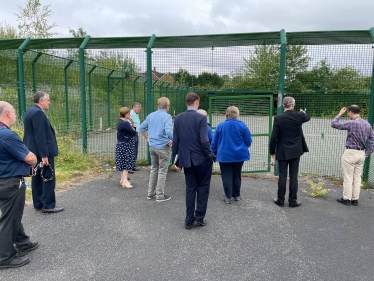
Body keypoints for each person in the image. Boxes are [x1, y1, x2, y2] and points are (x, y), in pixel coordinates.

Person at [0, 101, 39, 269]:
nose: (16, 115)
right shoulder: (6, 134)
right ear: (8, 114)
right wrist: (34, 159)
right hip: (10, 182)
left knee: (12, 213)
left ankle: (23, 242)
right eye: (14, 112)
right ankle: (5, 257)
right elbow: (29, 158)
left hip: (3, 181)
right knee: (10, 218)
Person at [172, 92, 215, 230]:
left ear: (187, 102)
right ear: (196, 102)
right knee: (203, 187)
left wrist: (174, 159)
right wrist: (210, 154)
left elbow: (176, 140)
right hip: (201, 159)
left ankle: (188, 220)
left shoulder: (178, 118)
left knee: (190, 189)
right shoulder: (201, 118)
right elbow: (204, 140)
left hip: (186, 160)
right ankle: (199, 218)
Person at [23, 92, 63, 214]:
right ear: (41, 101)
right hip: (41, 152)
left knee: (37, 177)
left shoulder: (30, 111)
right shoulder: (38, 113)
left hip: (33, 151)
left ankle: (38, 203)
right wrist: (44, 155)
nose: (49, 102)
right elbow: (39, 136)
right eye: (48, 100)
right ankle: (48, 205)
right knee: (48, 177)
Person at [269, 96, 310, 208]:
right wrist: (303, 112)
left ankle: (280, 200)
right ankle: (293, 200)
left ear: (283, 106)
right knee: (293, 176)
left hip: (282, 151)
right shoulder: (299, 116)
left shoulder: (278, 118)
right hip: (296, 150)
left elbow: (274, 137)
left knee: (282, 176)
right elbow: (308, 117)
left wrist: (272, 151)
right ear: (293, 105)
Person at [331, 105, 374, 206]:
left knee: (348, 177)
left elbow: (334, 124)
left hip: (351, 153)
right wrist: (368, 152)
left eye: (348, 112)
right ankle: (355, 199)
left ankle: (347, 198)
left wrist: (339, 114)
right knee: (357, 177)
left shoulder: (351, 123)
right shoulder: (367, 124)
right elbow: (372, 140)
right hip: (361, 154)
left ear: (350, 112)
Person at [211, 106, 252, 204]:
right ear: (237, 114)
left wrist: (214, 152)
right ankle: (237, 195)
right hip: (239, 155)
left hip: (224, 156)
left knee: (226, 176)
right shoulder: (242, 125)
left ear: (227, 114)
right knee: (237, 174)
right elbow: (248, 141)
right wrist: (244, 147)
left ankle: (228, 197)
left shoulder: (220, 126)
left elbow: (214, 142)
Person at [139, 97, 173, 202]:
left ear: (158, 105)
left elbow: (141, 128)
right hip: (163, 147)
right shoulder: (167, 117)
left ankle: (150, 193)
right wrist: (174, 139)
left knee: (154, 169)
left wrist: (147, 137)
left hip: (152, 147)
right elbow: (169, 131)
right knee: (162, 171)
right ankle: (159, 196)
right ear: (167, 106)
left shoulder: (151, 115)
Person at [116, 107, 137, 188]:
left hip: (122, 144)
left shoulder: (121, 122)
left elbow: (132, 130)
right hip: (126, 145)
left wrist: (131, 123)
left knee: (123, 162)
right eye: (128, 113)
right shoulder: (125, 123)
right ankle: (125, 181)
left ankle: (122, 179)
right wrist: (132, 121)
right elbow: (134, 132)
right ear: (125, 114)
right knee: (126, 163)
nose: (130, 115)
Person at [129, 102, 142, 174]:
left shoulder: (136, 115)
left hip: (136, 133)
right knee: (132, 149)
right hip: (132, 134)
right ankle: (130, 167)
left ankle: (133, 165)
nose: (139, 109)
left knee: (135, 150)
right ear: (134, 107)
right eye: (138, 107)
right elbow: (129, 124)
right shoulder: (130, 114)